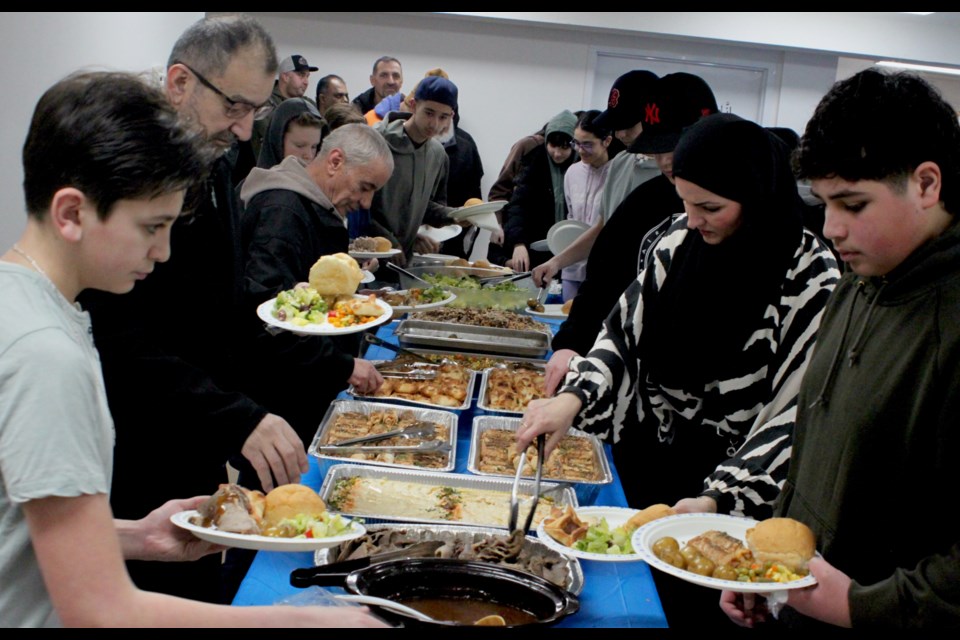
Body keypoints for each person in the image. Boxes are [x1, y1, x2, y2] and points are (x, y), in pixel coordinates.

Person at [0, 70, 384, 629]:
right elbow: (100, 608)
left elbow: (19, 523)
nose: (163, 250)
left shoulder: (24, 300)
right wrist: (308, 622)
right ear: (71, 213)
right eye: (152, 225)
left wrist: (138, 537)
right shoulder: (46, 356)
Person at [516, 113, 840, 627]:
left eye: (710, 207)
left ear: (756, 195)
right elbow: (622, 335)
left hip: (738, 488)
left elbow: (797, 413)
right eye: (685, 202)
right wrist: (572, 399)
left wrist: (717, 498)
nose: (692, 220)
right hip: (654, 456)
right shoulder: (673, 242)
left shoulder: (809, 274)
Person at [77, 15, 310, 604]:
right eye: (234, 105)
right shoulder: (122, 169)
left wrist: (248, 410)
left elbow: (222, 309)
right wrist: (234, 415)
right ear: (179, 82)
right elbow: (121, 341)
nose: (242, 130)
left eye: (256, 109)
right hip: (133, 447)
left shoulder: (216, 161)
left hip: (196, 435)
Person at [720, 69, 960, 630]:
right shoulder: (858, 282)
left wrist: (861, 607)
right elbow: (816, 445)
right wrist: (766, 561)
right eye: (824, 203)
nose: (831, 228)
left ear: (927, 184)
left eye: (853, 205)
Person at [544, 73, 719, 400]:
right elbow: (604, 271)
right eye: (658, 149)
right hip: (634, 375)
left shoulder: (746, 212)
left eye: (674, 146)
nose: (666, 161)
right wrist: (571, 343)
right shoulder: (644, 198)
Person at [239, 123, 391, 445]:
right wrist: (341, 365)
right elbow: (270, 316)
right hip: (280, 395)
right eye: (365, 187)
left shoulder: (312, 206)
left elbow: (308, 292)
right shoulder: (282, 213)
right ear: (335, 161)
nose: (366, 202)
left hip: (302, 383)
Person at [532, 70, 660, 288]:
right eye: (617, 126)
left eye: (627, 126)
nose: (621, 134)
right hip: (609, 284)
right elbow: (602, 227)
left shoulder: (674, 174)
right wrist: (557, 262)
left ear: (653, 118)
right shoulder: (621, 163)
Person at [367, 75, 460, 268]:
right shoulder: (376, 141)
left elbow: (427, 207)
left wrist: (457, 215)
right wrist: (388, 241)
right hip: (367, 259)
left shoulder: (437, 154)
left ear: (451, 116)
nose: (434, 123)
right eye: (429, 113)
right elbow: (356, 203)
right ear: (413, 104)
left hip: (403, 263)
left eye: (443, 117)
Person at [498, 109, 579, 272]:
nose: (557, 154)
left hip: (569, 252)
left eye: (564, 148)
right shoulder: (534, 163)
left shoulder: (580, 169)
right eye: (553, 145)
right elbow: (518, 206)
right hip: (535, 248)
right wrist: (518, 243)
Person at [559, 109, 614, 300]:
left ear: (607, 141)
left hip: (603, 265)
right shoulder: (572, 173)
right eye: (577, 143)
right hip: (572, 265)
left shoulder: (617, 173)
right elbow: (571, 218)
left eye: (588, 144)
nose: (580, 150)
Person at [249, 54, 320, 159]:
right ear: (285, 77)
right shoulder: (264, 103)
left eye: (307, 76)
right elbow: (272, 139)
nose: (306, 82)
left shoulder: (308, 104)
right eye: (301, 75)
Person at [255, 98, 324, 169]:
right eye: (299, 146)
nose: (309, 156)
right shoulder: (256, 180)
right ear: (278, 141)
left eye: (314, 147)